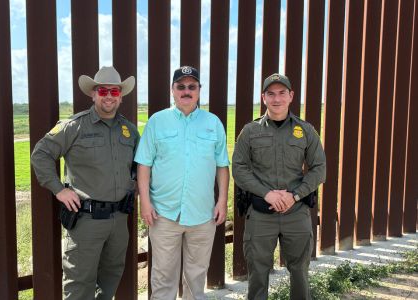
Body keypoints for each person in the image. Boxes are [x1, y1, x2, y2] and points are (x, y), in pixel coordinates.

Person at [30, 66, 139, 300]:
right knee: (80, 283)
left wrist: (136, 187)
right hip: (86, 221)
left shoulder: (128, 130)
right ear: (93, 94)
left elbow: (140, 166)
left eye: (114, 91)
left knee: (111, 278)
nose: (108, 96)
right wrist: (58, 190)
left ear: (120, 96)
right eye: (103, 91)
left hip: (119, 220)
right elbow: (41, 154)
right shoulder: (74, 126)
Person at [135, 66, 230, 299]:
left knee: (196, 277)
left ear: (199, 90)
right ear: (172, 90)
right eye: (181, 87)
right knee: (163, 277)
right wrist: (145, 203)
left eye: (192, 86)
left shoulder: (213, 123)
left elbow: (222, 165)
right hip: (164, 215)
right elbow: (144, 165)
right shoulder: (157, 121)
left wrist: (222, 201)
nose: (186, 91)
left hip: (202, 214)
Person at [232, 73, 326, 300]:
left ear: (291, 96)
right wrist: (268, 194)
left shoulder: (305, 131)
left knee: (300, 272)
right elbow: (239, 168)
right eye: (271, 94)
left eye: (282, 93)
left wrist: (294, 195)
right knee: (257, 273)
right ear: (263, 98)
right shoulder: (250, 131)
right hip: (261, 214)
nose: (276, 99)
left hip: (296, 213)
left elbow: (319, 169)